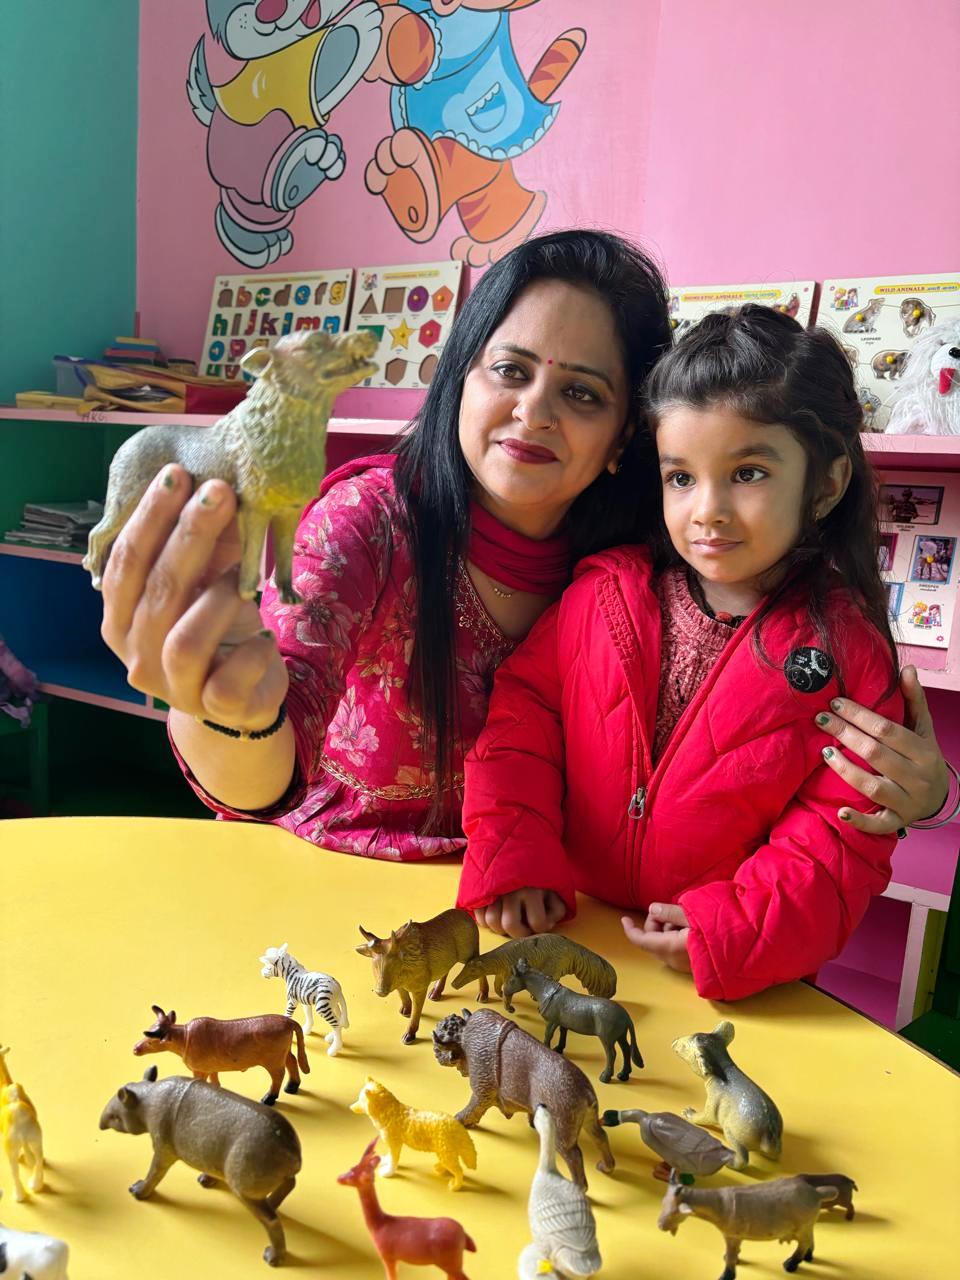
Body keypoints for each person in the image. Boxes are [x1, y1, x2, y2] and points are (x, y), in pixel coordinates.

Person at [98, 234, 950, 862]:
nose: (534, 411)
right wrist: (228, 710)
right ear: (461, 380)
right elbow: (259, 772)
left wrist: (927, 796)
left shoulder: (666, 566)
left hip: (545, 920)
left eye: (581, 394)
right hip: (340, 900)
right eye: (510, 371)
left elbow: (771, 749)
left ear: (626, 439)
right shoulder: (368, 523)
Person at [456, 306, 941, 1001]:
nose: (706, 509)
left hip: (723, 972)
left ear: (827, 485)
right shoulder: (601, 595)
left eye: (748, 473)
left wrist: (733, 927)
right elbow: (519, 727)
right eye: (681, 477)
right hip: (572, 930)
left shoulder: (847, 651)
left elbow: (839, 837)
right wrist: (514, 856)